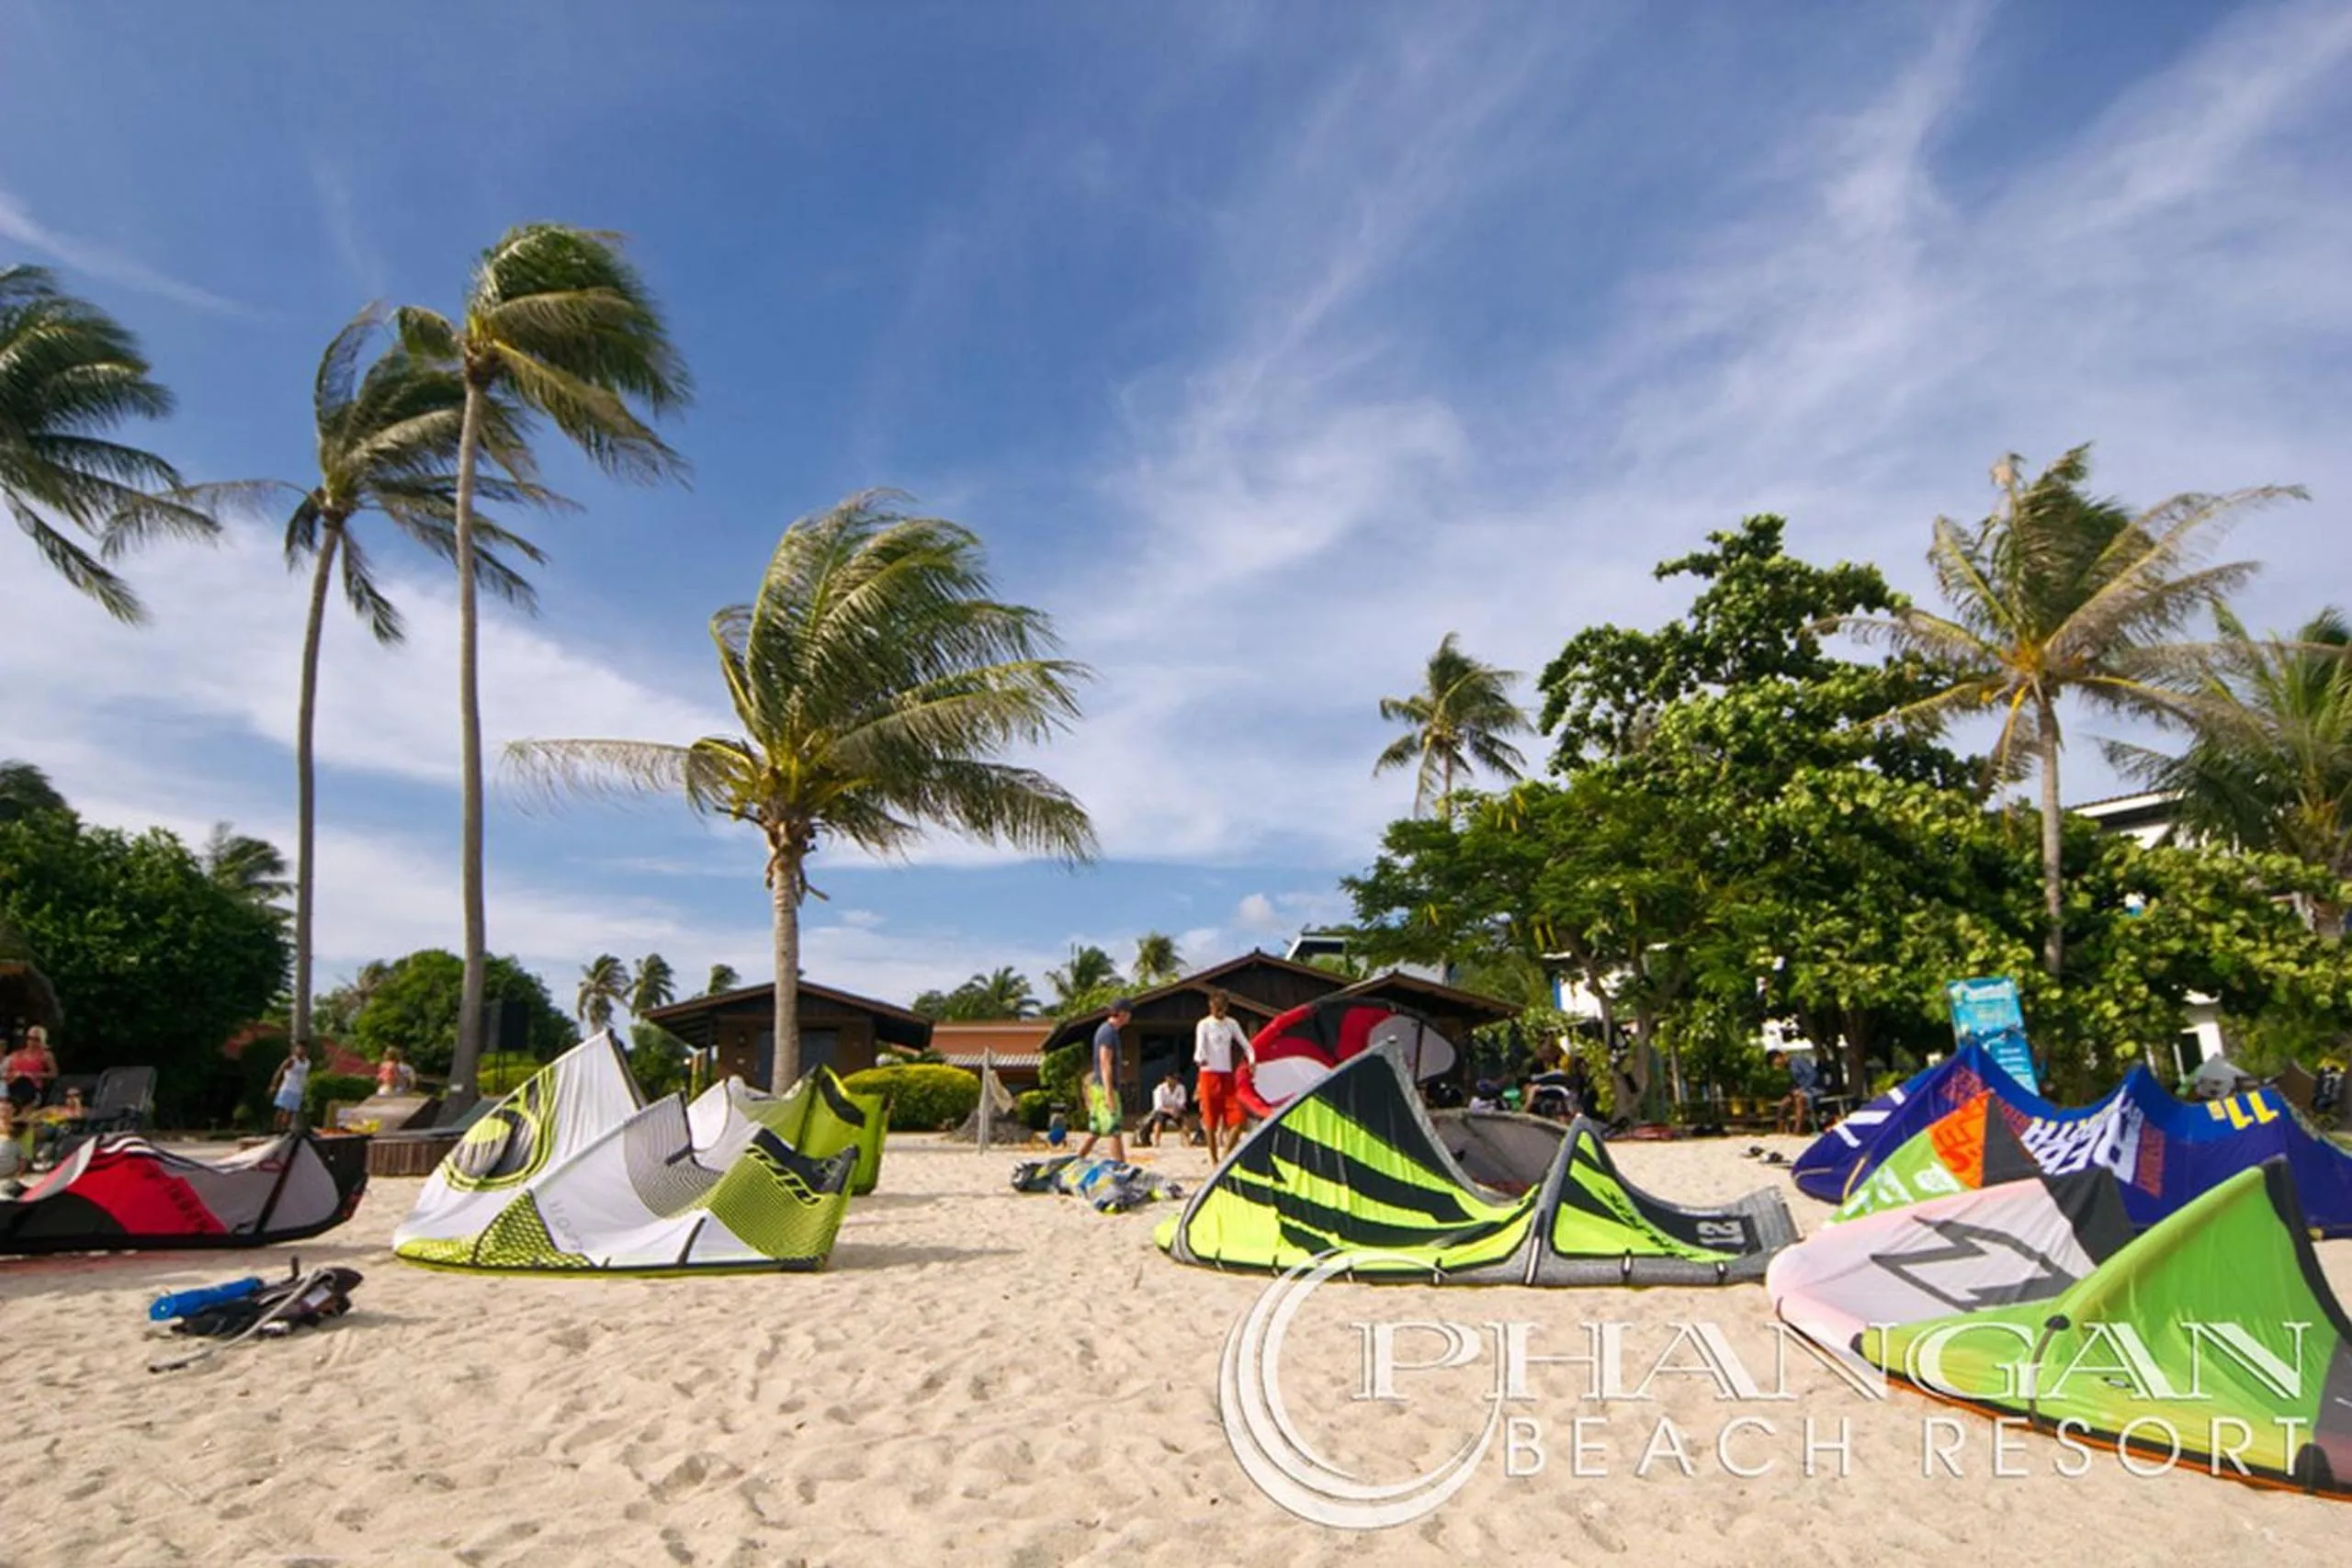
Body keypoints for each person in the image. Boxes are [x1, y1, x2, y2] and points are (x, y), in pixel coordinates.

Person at [1192, 989, 1254, 1163]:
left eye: (1221, 1009)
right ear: (1210, 1007)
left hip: (1226, 1075)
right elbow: (1199, 1048)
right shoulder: (1204, 1024)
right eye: (1215, 1008)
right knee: (1210, 1121)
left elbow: (1246, 1045)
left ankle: (1226, 1154)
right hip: (1208, 1075)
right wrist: (1200, 1059)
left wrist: (1252, 1059)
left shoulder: (1231, 1024)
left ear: (1226, 1008)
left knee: (1239, 1118)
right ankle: (1213, 1159)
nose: (1218, 1012)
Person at [1073, 1000, 1132, 1164]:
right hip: (1104, 1087)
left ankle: (1075, 1161)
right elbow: (1104, 1063)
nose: (1130, 1017)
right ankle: (1121, 1167)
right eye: (1128, 1013)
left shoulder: (1111, 1032)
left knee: (1095, 1131)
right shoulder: (1107, 1032)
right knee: (1114, 1129)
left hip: (1101, 1087)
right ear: (1121, 1013)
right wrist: (1109, 1093)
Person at [5, 1024, 57, 1111]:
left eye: (36, 1039)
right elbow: (5, 1073)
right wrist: (14, 1075)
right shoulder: (16, 1054)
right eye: (29, 1038)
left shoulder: (46, 1055)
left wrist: (34, 1075)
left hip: (33, 1090)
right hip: (13, 1088)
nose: (32, 1042)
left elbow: (54, 1074)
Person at [1773, 1049, 1821, 1135]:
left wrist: (1802, 1089)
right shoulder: (1788, 1067)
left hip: (1813, 1089)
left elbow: (1813, 1075)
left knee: (1799, 1100)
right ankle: (1780, 1131)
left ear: (1780, 1057)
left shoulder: (1798, 1061)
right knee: (1783, 1104)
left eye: (1777, 1062)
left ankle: (1798, 1130)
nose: (1777, 1065)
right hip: (1799, 1091)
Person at [269, 1043, 311, 1133]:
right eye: (299, 1049)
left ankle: (285, 1129)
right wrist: (273, 1085)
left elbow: (305, 1076)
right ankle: (276, 1128)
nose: (301, 1051)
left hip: (298, 1090)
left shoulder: (307, 1063)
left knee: (291, 1111)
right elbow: (280, 1071)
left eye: (303, 1049)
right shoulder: (291, 1060)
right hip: (287, 1087)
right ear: (296, 1049)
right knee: (282, 1108)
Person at [1140, 1074, 1189, 1146]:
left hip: (1176, 1109)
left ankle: (1186, 1141)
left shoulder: (1181, 1087)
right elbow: (1158, 1106)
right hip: (1163, 1110)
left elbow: (1182, 1101)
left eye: (1176, 1078)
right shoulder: (1160, 1088)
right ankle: (1156, 1141)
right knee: (1159, 1120)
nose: (1174, 1080)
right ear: (1167, 1079)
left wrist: (1176, 1109)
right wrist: (1169, 1110)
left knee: (1183, 1119)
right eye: (1172, 1078)